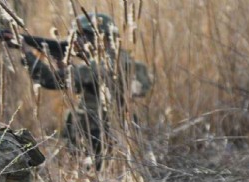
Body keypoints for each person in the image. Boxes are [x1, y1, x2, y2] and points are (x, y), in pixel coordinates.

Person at [20, 13, 152, 169]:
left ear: (99, 38)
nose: (76, 43)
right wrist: (61, 63)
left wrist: (26, 53)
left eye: (81, 37)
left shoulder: (100, 65)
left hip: (98, 136)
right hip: (119, 134)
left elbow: (51, 81)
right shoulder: (121, 59)